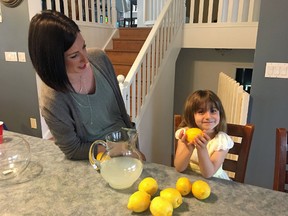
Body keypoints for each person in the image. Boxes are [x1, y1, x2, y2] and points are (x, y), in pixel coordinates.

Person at [28, 10, 139, 160]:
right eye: (74, 56)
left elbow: (121, 114)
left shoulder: (100, 59)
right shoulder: (52, 100)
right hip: (96, 160)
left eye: (84, 47)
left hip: (128, 146)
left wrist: (131, 146)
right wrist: (117, 149)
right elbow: (73, 149)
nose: (85, 59)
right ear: (53, 62)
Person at [174, 90, 234, 180]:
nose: (208, 116)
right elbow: (179, 167)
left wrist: (202, 149)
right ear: (192, 115)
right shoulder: (185, 134)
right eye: (201, 111)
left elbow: (208, 174)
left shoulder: (222, 141)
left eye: (213, 111)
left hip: (215, 182)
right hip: (190, 179)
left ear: (220, 114)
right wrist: (188, 148)